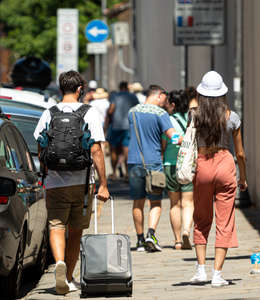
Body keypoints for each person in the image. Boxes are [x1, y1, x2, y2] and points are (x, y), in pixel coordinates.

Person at [33, 71, 110, 295]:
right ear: (79, 89)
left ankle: (59, 263)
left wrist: (46, 171)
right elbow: (96, 150)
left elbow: (40, 146)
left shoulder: (49, 113)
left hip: (55, 183)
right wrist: (103, 183)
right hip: (83, 183)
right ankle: (67, 278)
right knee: (76, 231)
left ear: (60, 89)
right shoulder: (90, 112)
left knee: (56, 226)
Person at [190, 71, 247, 287]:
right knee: (225, 221)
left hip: (202, 165)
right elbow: (240, 153)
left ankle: (201, 270)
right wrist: (243, 177)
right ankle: (217, 275)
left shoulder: (194, 115)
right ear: (222, 94)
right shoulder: (232, 117)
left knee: (201, 218)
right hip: (225, 165)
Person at [128, 85, 179, 252]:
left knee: (138, 201)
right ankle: (151, 234)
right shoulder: (160, 113)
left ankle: (140, 240)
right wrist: (184, 139)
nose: (165, 103)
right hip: (155, 163)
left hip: (134, 162)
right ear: (158, 95)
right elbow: (173, 136)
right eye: (164, 99)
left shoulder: (132, 111)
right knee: (155, 202)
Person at [161, 90, 194, 250]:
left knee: (175, 204)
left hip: (170, 165)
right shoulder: (191, 119)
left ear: (173, 105)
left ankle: (177, 240)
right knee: (188, 203)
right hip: (187, 165)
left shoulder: (168, 120)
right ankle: (187, 231)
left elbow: (166, 142)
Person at [105, 81, 139, 180]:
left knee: (114, 150)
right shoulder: (133, 96)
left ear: (120, 87)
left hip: (116, 126)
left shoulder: (115, 96)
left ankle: (114, 173)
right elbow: (137, 109)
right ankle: (127, 174)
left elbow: (111, 109)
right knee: (126, 150)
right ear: (127, 88)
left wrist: (106, 124)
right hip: (128, 126)